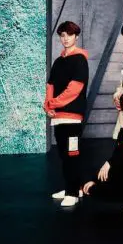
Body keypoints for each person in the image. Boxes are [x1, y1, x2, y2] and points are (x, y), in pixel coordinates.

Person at [44, 21, 89, 207]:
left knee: (72, 154)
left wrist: (53, 103)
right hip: (58, 116)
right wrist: (47, 105)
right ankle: (74, 187)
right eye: (62, 35)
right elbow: (50, 85)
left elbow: (74, 90)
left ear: (76, 36)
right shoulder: (58, 61)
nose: (66, 38)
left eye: (69, 35)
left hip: (72, 116)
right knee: (63, 154)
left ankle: (73, 193)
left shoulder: (80, 59)